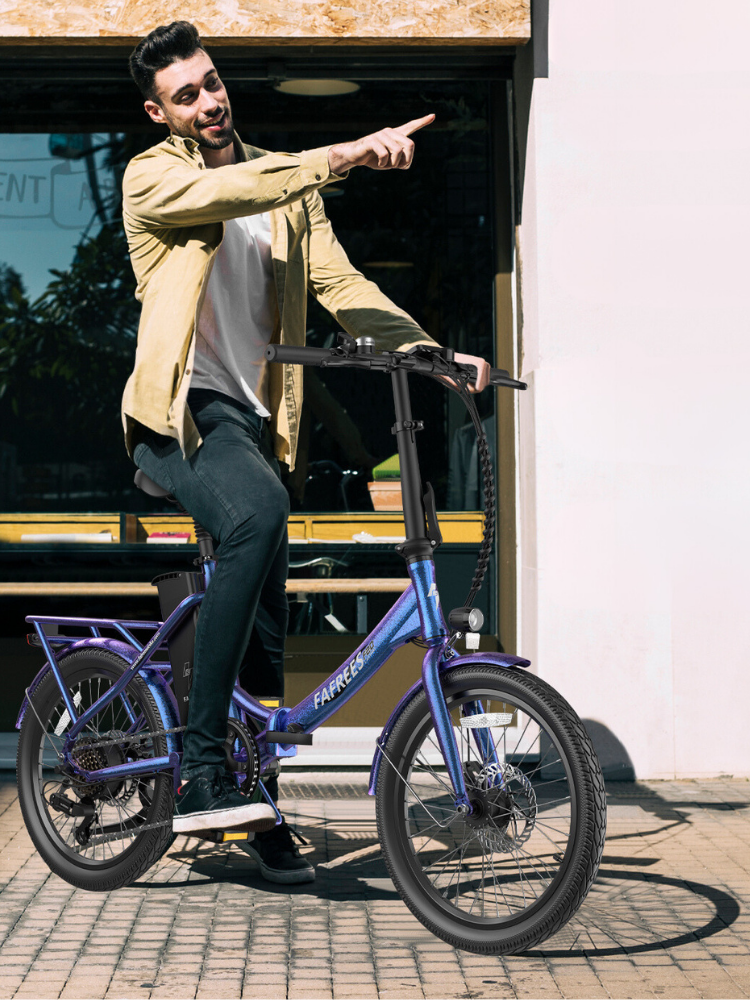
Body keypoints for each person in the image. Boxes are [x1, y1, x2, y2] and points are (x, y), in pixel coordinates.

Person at [121, 21, 489, 884]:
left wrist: (431, 354)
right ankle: (203, 775)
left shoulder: (288, 191)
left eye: (212, 83)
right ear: (159, 111)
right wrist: (350, 153)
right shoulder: (154, 176)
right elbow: (241, 189)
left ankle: (257, 800)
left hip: (249, 424)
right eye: (186, 95)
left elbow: (341, 286)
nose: (208, 101)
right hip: (180, 417)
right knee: (260, 517)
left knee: (267, 627)